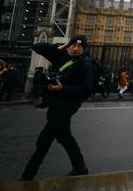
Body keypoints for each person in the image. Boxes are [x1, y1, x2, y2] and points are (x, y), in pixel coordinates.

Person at [21, 35, 94, 180]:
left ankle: (28, 175)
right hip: (54, 103)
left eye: (80, 47)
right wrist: (57, 47)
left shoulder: (85, 65)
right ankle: (80, 167)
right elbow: (36, 47)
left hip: (67, 105)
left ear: (83, 49)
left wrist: (63, 89)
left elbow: (86, 89)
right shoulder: (60, 56)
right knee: (64, 136)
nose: (76, 48)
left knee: (44, 140)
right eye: (73, 45)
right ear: (69, 45)